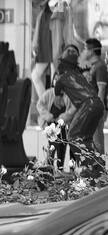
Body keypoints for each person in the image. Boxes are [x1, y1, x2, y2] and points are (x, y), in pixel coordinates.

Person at [55, 44, 105, 173]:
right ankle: (97, 170)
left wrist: (64, 112)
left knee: (73, 136)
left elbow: (58, 101)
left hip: (88, 105)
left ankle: (91, 170)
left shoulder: (61, 78)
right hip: (97, 104)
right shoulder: (78, 73)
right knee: (86, 138)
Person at [83, 39, 108, 152]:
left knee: (97, 143)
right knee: (92, 143)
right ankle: (93, 169)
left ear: (92, 51)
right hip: (91, 109)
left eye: (85, 48)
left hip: (96, 110)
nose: (83, 51)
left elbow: (101, 90)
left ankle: (99, 169)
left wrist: (98, 111)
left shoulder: (100, 66)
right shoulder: (94, 66)